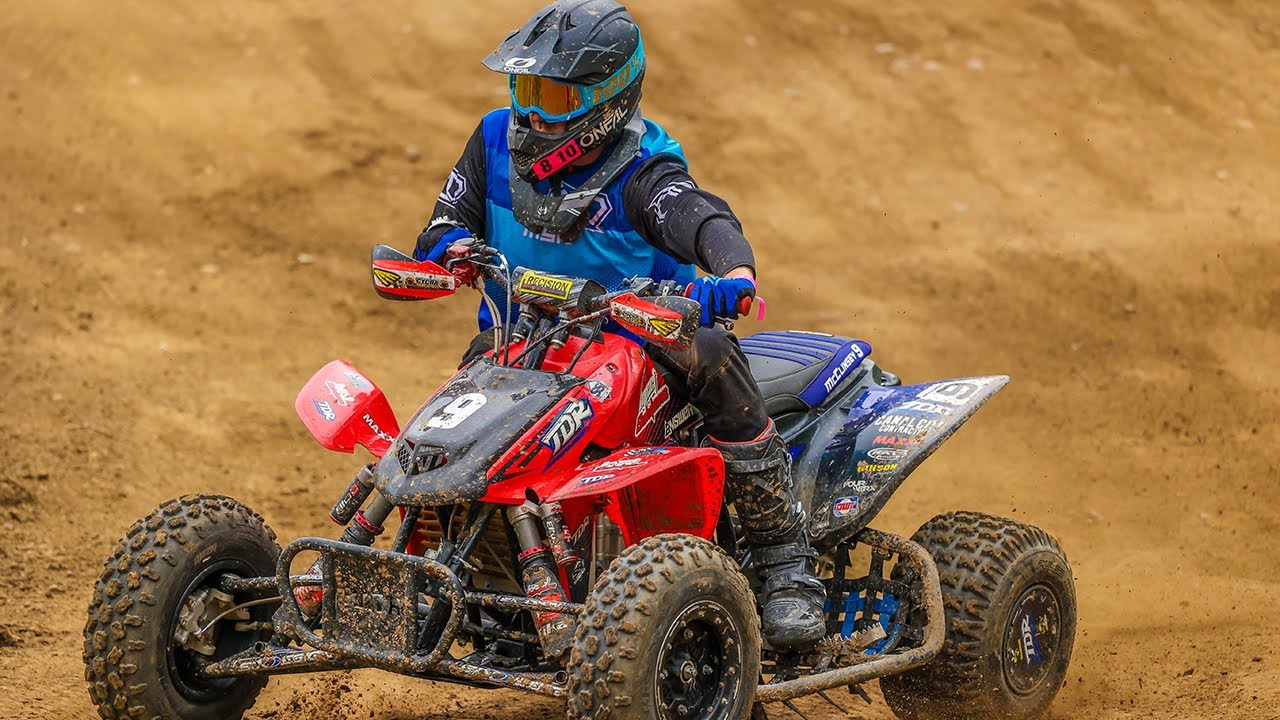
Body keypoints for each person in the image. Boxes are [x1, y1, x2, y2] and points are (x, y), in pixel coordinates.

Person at [413, 0, 826, 649]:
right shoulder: (492, 141)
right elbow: (445, 221)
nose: (532, 113)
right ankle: (438, 560)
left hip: (641, 335)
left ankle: (786, 565)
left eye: (552, 97)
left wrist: (735, 272)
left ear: (605, 100)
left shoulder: (643, 168)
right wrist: (451, 248)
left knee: (711, 351)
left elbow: (698, 217)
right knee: (457, 416)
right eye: (525, 90)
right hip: (522, 339)